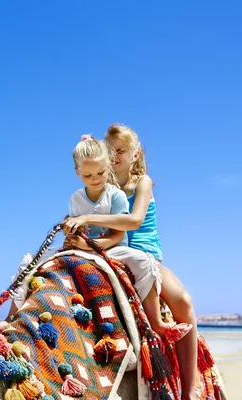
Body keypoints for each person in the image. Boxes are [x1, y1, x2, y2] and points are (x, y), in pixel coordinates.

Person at [63, 123, 198, 400]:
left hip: (143, 252)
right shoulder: (101, 186)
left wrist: (88, 219)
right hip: (108, 250)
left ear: (135, 154)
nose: (114, 157)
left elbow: (134, 220)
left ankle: (189, 391)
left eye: (121, 151)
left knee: (183, 300)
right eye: (109, 151)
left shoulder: (142, 183)